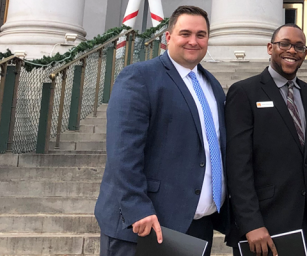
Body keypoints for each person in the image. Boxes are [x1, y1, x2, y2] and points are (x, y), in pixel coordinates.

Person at [94, 6, 229, 256]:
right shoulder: (139, 77)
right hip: (144, 226)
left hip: (196, 228)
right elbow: (123, 152)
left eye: (201, 35)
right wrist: (138, 208)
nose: (193, 41)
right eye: (185, 33)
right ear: (168, 38)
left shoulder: (212, 86)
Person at [225, 24, 307, 256]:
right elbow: (237, 165)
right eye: (285, 44)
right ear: (270, 47)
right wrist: (250, 222)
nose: (292, 50)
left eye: (299, 46)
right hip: (264, 225)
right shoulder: (245, 92)